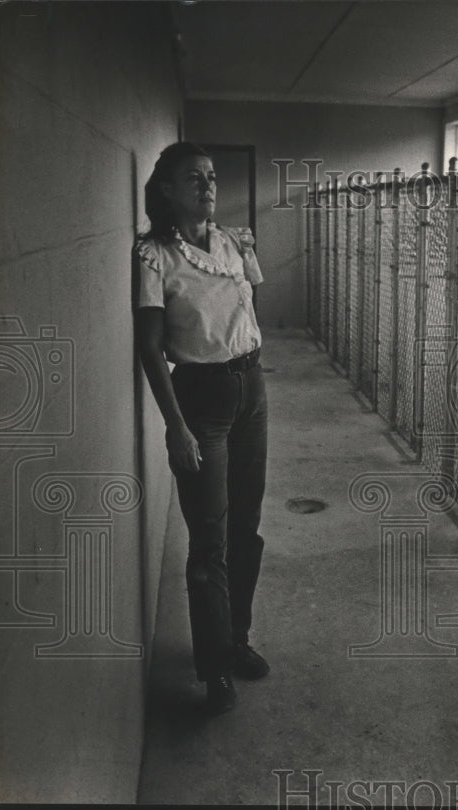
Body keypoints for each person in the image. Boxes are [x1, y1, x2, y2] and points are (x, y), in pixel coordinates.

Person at [133, 142, 269, 715]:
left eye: (211, 177)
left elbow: (248, 302)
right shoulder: (153, 254)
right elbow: (149, 346)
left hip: (251, 390)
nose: (208, 186)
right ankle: (213, 668)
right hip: (201, 401)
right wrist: (176, 427)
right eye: (194, 178)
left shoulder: (234, 241)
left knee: (247, 525)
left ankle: (236, 640)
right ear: (165, 188)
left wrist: (245, 250)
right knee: (208, 539)